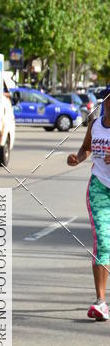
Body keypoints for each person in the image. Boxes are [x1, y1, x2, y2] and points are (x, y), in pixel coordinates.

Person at [67, 93, 110, 321]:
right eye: (108, 99)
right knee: (103, 242)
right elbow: (86, 148)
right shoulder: (95, 126)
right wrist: (77, 158)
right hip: (99, 189)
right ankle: (101, 301)